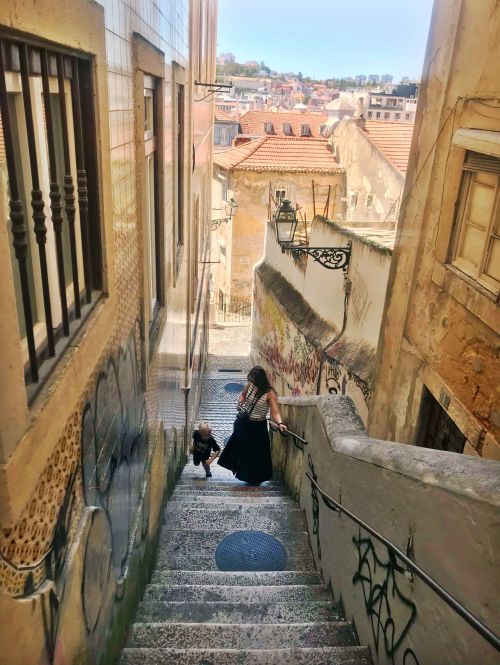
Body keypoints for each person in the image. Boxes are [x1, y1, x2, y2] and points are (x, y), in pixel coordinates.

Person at [218, 366, 287, 484]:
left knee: (256, 454)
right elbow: (243, 395)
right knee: (239, 448)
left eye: (253, 380)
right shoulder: (250, 385)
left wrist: (280, 423)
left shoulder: (270, 394)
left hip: (258, 427)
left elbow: (275, 412)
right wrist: (240, 401)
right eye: (250, 380)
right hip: (244, 423)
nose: (251, 382)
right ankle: (240, 472)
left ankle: (255, 478)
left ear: (260, 380)